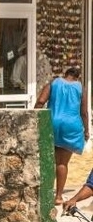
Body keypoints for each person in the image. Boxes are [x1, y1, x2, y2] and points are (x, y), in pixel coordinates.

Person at [36, 66, 89, 207]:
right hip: (72, 126)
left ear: (65, 74)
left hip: (52, 123)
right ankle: (58, 196)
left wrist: (34, 118)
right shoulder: (80, 88)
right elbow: (83, 112)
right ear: (77, 77)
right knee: (62, 163)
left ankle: (43, 193)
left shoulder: (54, 83)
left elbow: (41, 101)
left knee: (47, 160)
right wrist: (87, 131)